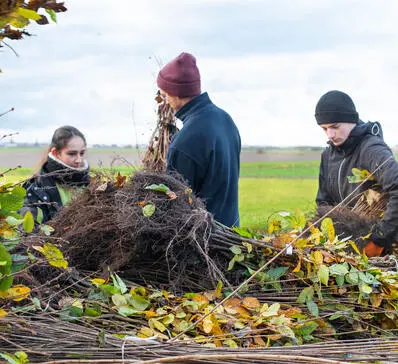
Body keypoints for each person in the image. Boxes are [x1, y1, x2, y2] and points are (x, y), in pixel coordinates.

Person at [157, 52, 241, 227]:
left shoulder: (185, 141)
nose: (165, 102)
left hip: (206, 243)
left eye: (165, 96)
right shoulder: (225, 120)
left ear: (177, 94)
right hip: (233, 236)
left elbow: (176, 208)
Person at [315, 90, 398, 256]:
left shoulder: (372, 149)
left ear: (351, 120)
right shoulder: (328, 156)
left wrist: (379, 239)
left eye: (335, 127)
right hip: (345, 247)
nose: (330, 134)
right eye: (324, 129)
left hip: (381, 249)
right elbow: (323, 203)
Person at [21, 126, 90, 224]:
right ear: (55, 153)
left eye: (82, 153)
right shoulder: (35, 190)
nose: (79, 160)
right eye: (71, 154)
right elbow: (29, 232)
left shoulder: (91, 184)